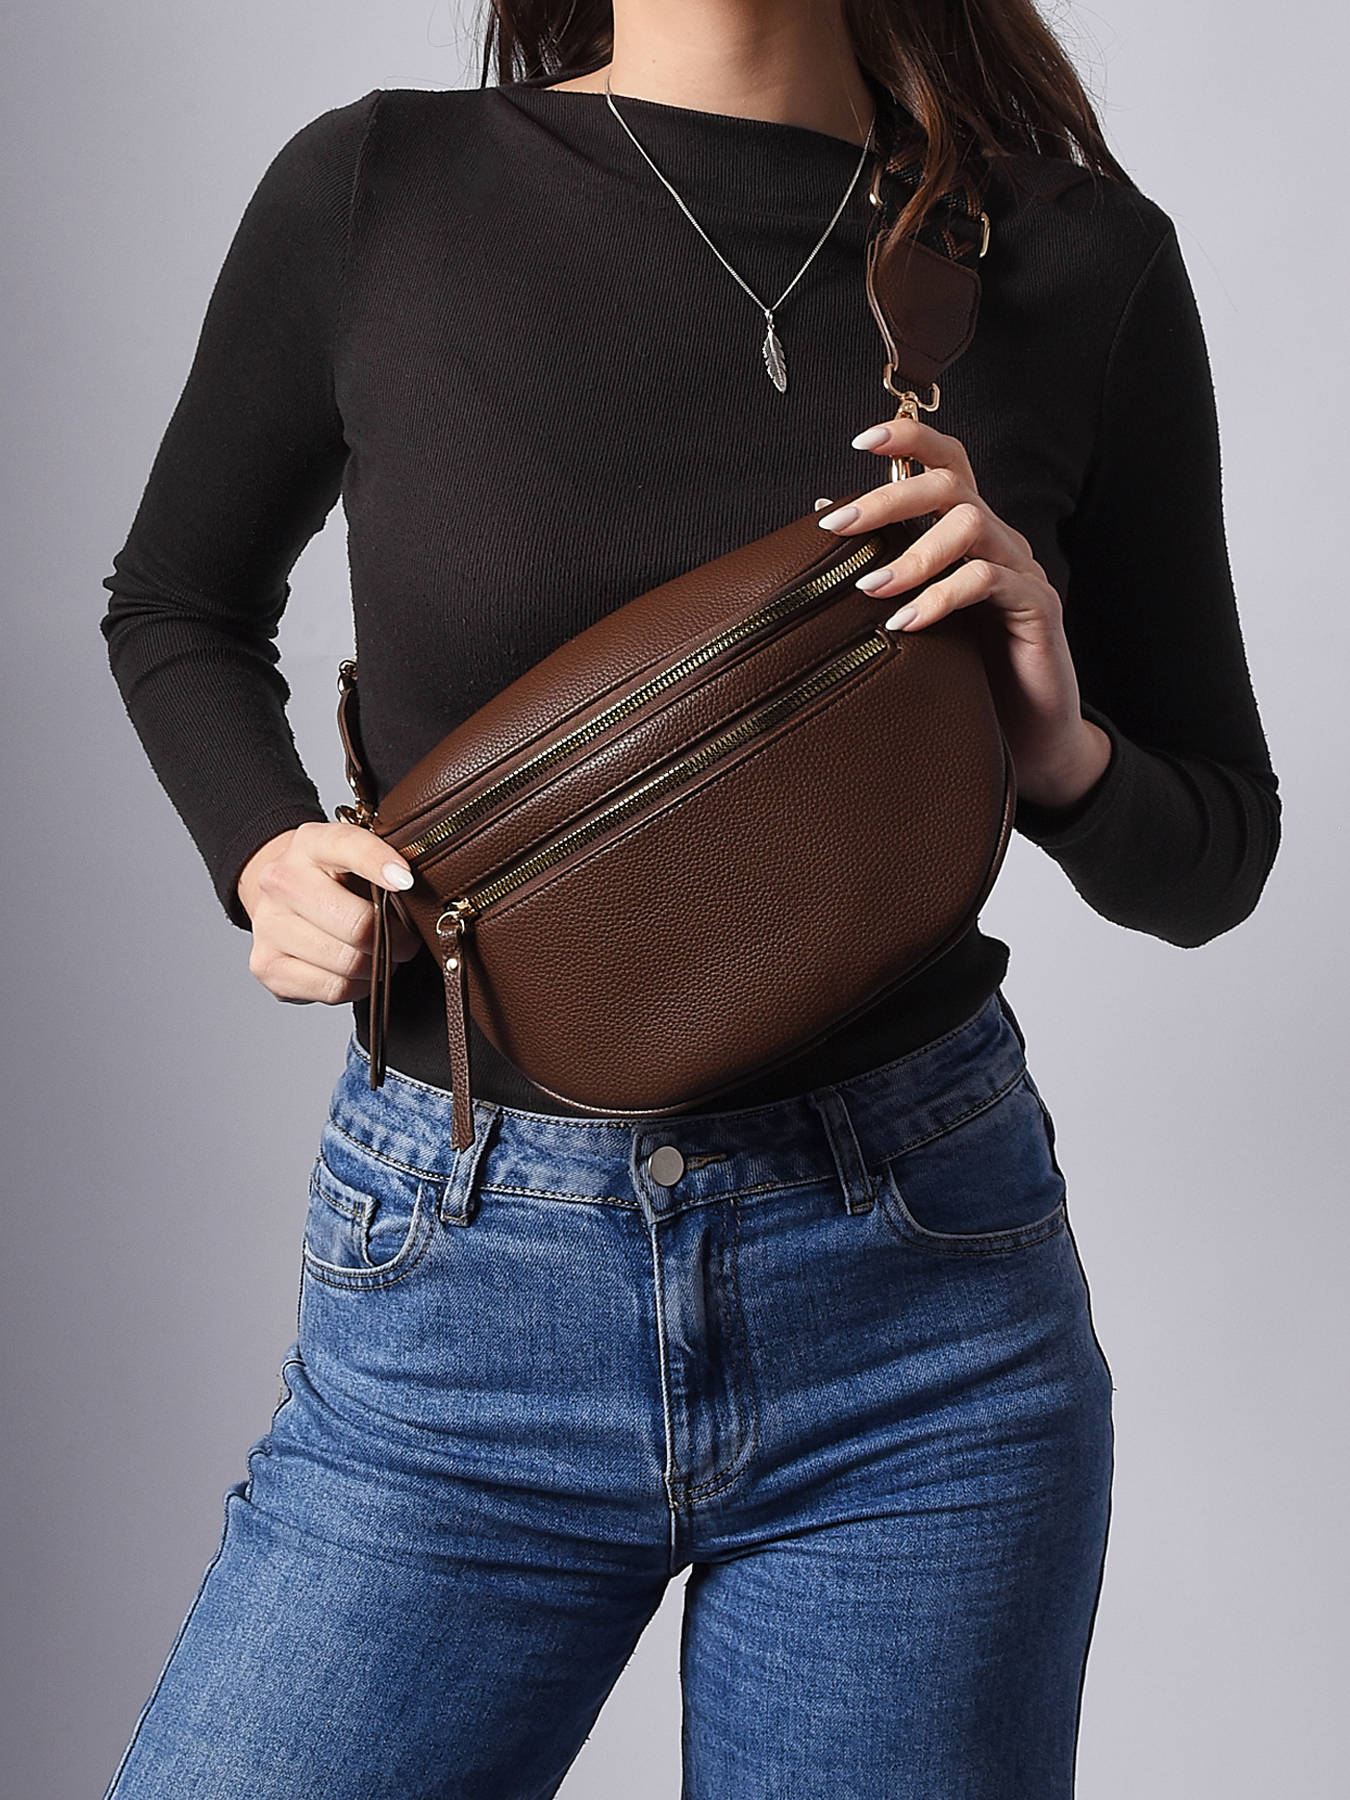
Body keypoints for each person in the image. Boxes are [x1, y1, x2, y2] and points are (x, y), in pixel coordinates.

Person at [97, 2, 1281, 1795]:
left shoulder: (1065, 256)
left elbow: (1214, 858)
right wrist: (262, 847)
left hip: (919, 1320)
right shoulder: (383, 187)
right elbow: (178, 602)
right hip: (464, 1284)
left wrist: (1053, 740)